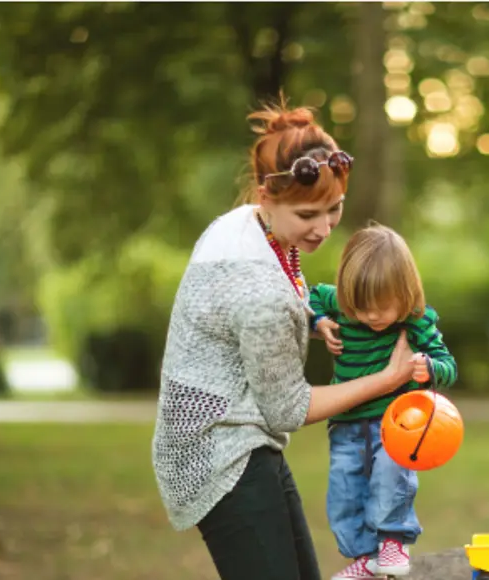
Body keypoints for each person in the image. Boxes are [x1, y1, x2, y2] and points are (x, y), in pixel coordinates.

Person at [150, 100, 417, 580]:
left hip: (248, 434)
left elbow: (283, 286)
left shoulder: (246, 226)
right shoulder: (258, 291)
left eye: (334, 208)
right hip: (217, 453)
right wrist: (388, 378)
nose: (322, 227)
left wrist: (314, 317)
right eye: (307, 214)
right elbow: (289, 409)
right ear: (265, 196)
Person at [309, 223, 459, 580]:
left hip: (396, 425)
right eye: (361, 308)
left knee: (391, 479)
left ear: (404, 294)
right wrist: (318, 323)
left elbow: (449, 366)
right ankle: (365, 558)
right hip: (345, 426)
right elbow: (310, 294)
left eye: (382, 308)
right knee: (344, 495)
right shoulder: (343, 304)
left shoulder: (416, 321)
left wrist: (428, 368)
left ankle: (393, 541)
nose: (372, 316)